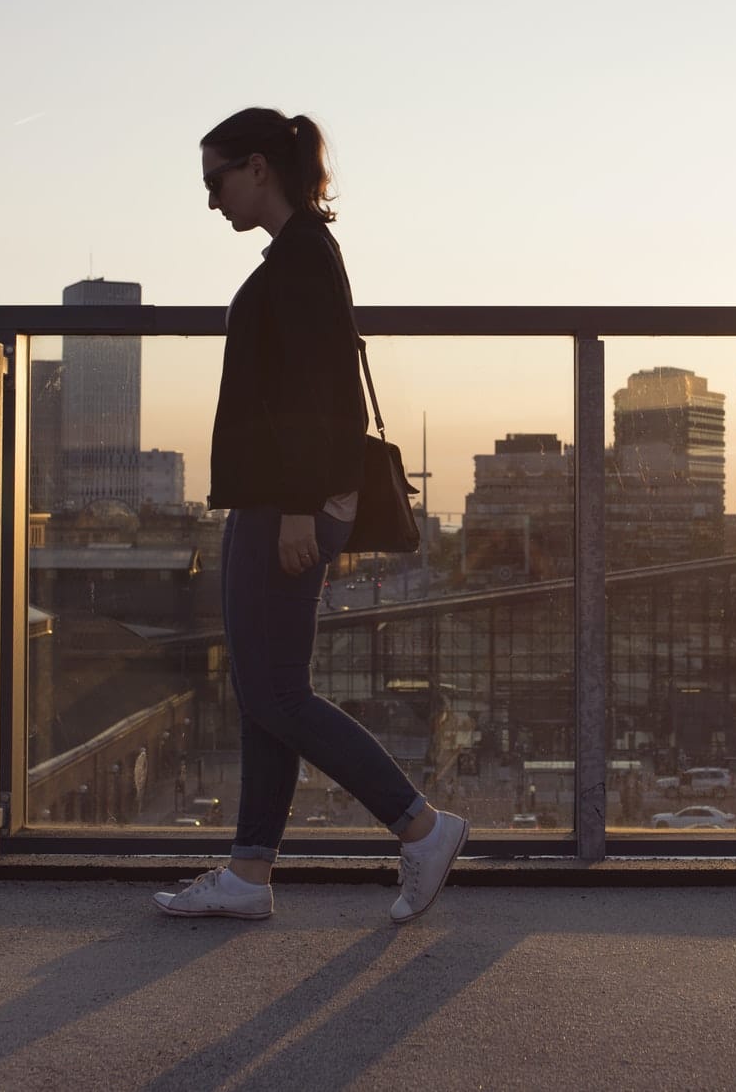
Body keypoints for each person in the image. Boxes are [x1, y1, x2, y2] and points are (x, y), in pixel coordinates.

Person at [154, 107, 468, 924]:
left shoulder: (301, 260)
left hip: (285, 505)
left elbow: (315, 395)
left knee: (279, 694)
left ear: (259, 168)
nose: (211, 198)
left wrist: (298, 506)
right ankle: (249, 873)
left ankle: (421, 826)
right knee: (265, 692)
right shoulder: (300, 255)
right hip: (272, 501)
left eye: (215, 179)